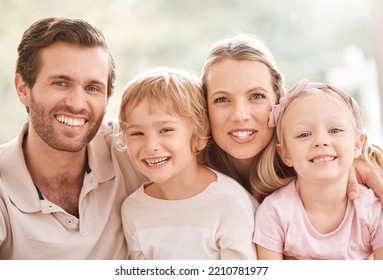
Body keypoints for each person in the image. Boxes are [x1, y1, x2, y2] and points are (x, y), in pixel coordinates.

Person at [0, 17, 145, 259]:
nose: (77, 104)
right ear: (23, 89)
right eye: (60, 83)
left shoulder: (134, 147)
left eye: (92, 88)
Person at [199, 32, 383, 204]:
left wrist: (349, 161)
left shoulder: (312, 158)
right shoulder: (190, 170)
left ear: (279, 100)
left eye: (256, 96)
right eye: (221, 99)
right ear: (204, 106)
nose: (240, 115)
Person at [117, 67, 258, 260]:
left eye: (166, 130)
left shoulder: (229, 204)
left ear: (199, 136)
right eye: (136, 133)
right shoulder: (132, 209)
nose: (151, 146)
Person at [253, 79, 383, 259]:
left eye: (335, 130)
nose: (321, 141)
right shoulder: (274, 212)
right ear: (285, 154)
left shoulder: (373, 208)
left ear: (357, 144)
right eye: (304, 134)